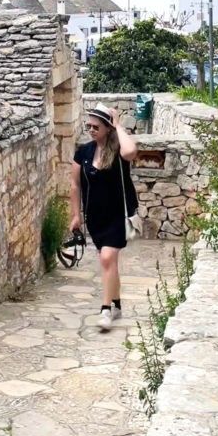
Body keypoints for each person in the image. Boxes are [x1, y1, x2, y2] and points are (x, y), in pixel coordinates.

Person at [70, 104, 138, 331]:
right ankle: (117, 304)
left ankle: (106, 310)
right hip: (96, 217)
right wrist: (76, 216)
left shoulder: (119, 149)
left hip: (118, 215)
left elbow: (131, 152)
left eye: (96, 126)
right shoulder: (84, 152)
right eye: (88, 125)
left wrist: (118, 125)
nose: (91, 130)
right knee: (110, 262)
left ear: (107, 128)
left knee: (107, 259)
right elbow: (75, 184)